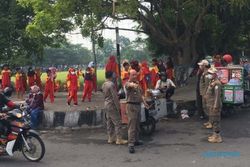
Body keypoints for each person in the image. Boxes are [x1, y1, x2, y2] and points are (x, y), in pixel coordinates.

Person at [125, 69, 149, 153]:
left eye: (136, 75)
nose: (135, 76)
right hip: (131, 106)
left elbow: (140, 95)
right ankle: (131, 144)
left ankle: (136, 140)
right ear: (129, 76)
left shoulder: (137, 84)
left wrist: (144, 103)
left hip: (138, 106)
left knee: (137, 124)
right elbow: (129, 86)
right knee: (132, 126)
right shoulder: (128, 83)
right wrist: (133, 84)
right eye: (133, 75)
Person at [102, 71, 128, 145]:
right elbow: (115, 97)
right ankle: (119, 139)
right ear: (110, 76)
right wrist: (118, 107)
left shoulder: (104, 84)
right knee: (118, 122)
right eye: (113, 74)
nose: (114, 76)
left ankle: (111, 138)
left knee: (109, 122)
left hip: (106, 104)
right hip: (112, 105)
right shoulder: (111, 84)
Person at [204, 67, 223, 143]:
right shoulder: (213, 81)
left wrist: (215, 105)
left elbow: (217, 96)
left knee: (216, 121)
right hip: (211, 104)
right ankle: (214, 135)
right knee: (213, 120)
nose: (209, 74)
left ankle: (217, 137)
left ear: (215, 74)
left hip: (214, 105)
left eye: (211, 73)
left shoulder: (217, 83)